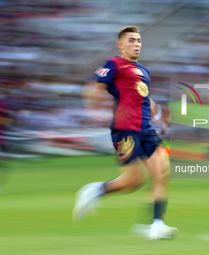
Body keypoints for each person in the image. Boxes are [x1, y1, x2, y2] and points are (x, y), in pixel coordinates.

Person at [72, 26, 178, 240]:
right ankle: (96, 191)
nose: (136, 44)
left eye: (138, 40)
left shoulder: (144, 71)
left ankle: (157, 225)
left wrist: (160, 114)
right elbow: (94, 87)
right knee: (134, 180)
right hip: (126, 129)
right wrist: (94, 109)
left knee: (162, 173)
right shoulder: (114, 64)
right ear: (121, 45)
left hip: (146, 130)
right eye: (131, 40)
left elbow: (143, 97)